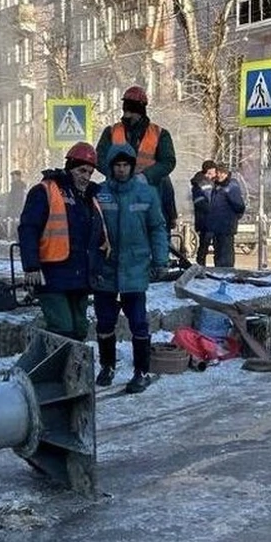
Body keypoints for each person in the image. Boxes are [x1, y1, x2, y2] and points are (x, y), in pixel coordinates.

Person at [91, 144, 170, 394]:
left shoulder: (146, 194)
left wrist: (160, 260)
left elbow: (157, 228)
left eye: (126, 165)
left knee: (138, 323)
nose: (122, 169)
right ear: (111, 168)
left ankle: (141, 372)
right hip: (106, 270)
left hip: (135, 270)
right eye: (117, 165)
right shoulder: (100, 194)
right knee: (104, 323)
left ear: (132, 167)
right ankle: (107, 366)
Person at [17, 143, 102, 342]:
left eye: (90, 172)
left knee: (80, 329)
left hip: (79, 276)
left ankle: (71, 371)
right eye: (81, 170)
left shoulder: (89, 196)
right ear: (69, 166)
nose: (86, 176)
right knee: (62, 329)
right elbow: (28, 229)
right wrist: (31, 266)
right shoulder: (44, 190)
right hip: (52, 275)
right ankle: (50, 371)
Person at [96, 85, 178, 230]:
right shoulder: (111, 132)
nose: (128, 116)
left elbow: (168, 162)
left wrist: (146, 176)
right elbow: (99, 158)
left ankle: (169, 219)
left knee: (165, 183)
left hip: (150, 191)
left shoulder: (159, 133)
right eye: (126, 110)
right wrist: (116, 174)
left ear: (141, 111)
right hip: (118, 191)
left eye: (131, 111)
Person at [198, 162, 246, 268]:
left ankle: (226, 274)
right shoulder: (216, 185)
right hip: (216, 227)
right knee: (218, 255)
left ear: (227, 173)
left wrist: (232, 218)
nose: (220, 175)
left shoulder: (231, 186)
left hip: (226, 227)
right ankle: (220, 273)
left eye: (223, 173)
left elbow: (239, 206)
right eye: (218, 172)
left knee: (226, 255)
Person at [190, 160, 219, 265]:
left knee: (210, 246)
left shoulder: (211, 182)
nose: (214, 174)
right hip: (206, 220)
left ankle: (203, 267)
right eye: (212, 172)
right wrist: (213, 210)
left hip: (210, 219)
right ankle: (200, 267)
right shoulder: (200, 183)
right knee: (204, 246)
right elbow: (200, 202)